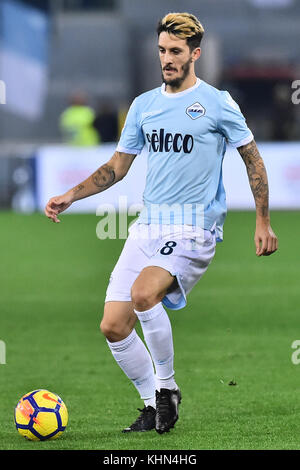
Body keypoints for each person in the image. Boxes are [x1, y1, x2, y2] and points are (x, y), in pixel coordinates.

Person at [45, 12, 278, 435]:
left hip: (194, 228)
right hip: (147, 226)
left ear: (194, 54)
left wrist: (262, 221)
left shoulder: (217, 103)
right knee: (113, 326)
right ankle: (151, 404)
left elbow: (253, 159)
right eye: (162, 51)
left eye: (175, 52)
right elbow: (118, 166)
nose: (166, 59)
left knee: (143, 294)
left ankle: (166, 388)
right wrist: (71, 195)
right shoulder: (144, 106)